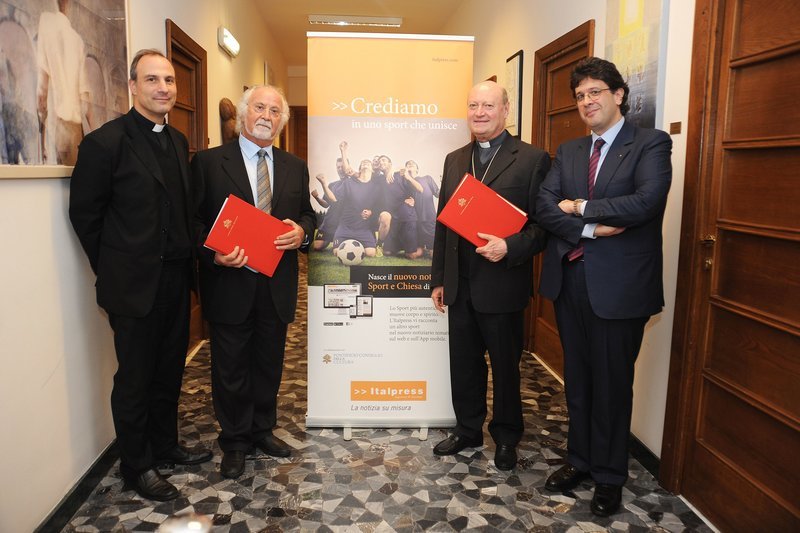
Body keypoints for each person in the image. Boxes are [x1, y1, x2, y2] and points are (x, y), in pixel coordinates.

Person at [69, 49, 212, 502]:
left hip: (176, 279)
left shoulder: (177, 141)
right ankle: (137, 465)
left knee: (169, 369)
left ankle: (165, 444)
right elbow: (85, 216)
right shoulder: (104, 143)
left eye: (169, 80)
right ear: (132, 86)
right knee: (135, 377)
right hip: (132, 285)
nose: (163, 88)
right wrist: (115, 268)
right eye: (152, 79)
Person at [536, 57, 672, 516]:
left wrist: (579, 207)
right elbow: (544, 205)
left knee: (612, 384)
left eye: (595, 92)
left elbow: (645, 202)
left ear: (618, 95)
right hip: (570, 280)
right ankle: (580, 460)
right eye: (580, 95)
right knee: (577, 380)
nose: (586, 101)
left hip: (619, 287)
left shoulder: (650, 143)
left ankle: (610, 475)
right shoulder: (570, 149)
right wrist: (591, 227)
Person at [193, 85, 316, 479]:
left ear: (282, 121)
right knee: (230, 368)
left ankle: (262, 429)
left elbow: (308, 214)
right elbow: (191, 221)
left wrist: (302, 232)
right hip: (230, 282)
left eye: (275, 111)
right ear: (244, 114)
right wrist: (212, 252)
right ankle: (234, 440)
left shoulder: (295, 166)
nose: (267, 115)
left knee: (268, 363)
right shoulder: (209, 163)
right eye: (259, 107)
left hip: (276, 284)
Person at [430, 80, 550, 470]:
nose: (479, 113)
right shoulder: (454, 159)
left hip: (502, 284)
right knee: (464, 364)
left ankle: (507, 436)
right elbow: (444, 223)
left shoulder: (532, 159)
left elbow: (542, 227)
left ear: (505, 110)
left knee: (504, 367)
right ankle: (467, 429)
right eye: (473, 105)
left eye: (488, 105)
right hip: (460, 285)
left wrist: (509, 246)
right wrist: (438, 278)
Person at [36, 0, 91, 165]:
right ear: (70, 5)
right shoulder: (77, 41)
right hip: (75, 129)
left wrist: (41, 135)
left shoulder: (46, 25)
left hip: (56, 125)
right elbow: (86, 102)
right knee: (76, 178)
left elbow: (41, 91)